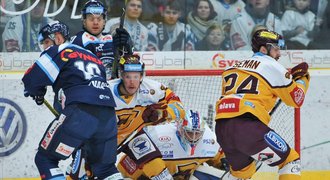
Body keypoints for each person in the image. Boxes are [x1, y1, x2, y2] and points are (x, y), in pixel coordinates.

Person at [22, 21, 122, 179]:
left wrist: (37, 91)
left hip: (80, 113)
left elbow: (31, 80)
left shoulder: (60, 50)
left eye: (47, 42)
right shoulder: (95, 58)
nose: (45, 47)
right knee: (105, 169)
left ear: (59, 38)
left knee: (45, 159)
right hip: (108, 116)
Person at [214, 29, 310, 179]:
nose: (279, 54)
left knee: (242, 173)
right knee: (290, 162)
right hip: (247, 128)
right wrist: (302, 79)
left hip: (222, 129)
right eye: (276, 49)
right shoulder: (272, 65)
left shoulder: (230, 68)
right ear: (264, 49)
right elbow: (296, 100)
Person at [118, 109, 229, 179]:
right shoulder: (157, 134)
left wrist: (226, 164)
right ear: (181, 129)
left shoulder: (210, 140)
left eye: (197, 134)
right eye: (190, 133)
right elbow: (133, 162)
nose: (194, 138)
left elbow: (221, 160)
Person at [71, 0, 132, 80]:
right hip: (91, 87)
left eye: (99, 19)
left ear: (104, 21)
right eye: (91, 19)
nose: (95, 22)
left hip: (113, 86)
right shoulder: (79, 40)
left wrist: (127, 49)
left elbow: (126, 65)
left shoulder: (112, 38)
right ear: (84, 21)